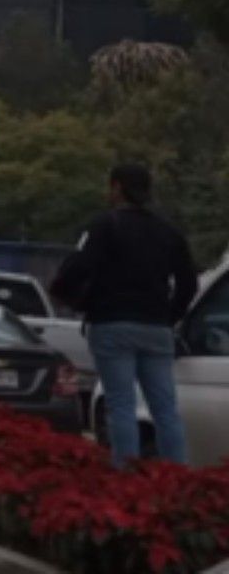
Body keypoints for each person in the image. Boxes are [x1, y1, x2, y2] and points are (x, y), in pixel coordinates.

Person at [52, 161, 200, 466]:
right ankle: (176, 473)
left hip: (112, 323)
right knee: (165, 408)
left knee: (121, 404)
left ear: (117, 187)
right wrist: (168, 317)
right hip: (156, 328)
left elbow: (79, 267)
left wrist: (71, 297)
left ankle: (126, 474)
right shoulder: (168, 231)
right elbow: (189, 282)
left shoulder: (105, 225)